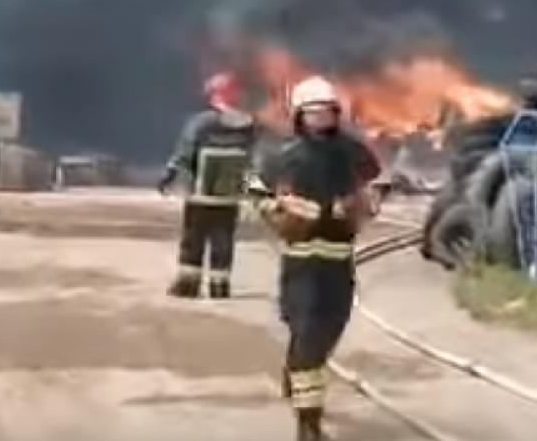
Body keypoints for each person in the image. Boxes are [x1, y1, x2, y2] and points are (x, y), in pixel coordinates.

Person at [257, 75, 381, 441]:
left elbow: (377, 181)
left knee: (328, 333)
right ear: (299, 116)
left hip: (338, 261)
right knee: (308, 339)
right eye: (313, 113)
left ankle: (296, 374)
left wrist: (363, 203)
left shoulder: (352, 151)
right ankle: (308, 423)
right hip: (301, 263)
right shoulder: (283, 153)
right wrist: (278, 206)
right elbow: (253, 185)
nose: (321, 118)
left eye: (326, 111)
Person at [159, 72, 256, 299]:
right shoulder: (247, 124)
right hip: (229, 197)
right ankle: (219, 285)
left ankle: (188, 284)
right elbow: (252, 161)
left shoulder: (201, 122)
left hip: (200, 194)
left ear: (213, 94)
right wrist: (257, 191)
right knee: (223, 240)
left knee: (194, 238)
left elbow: (184, 152)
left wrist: (169, 176)